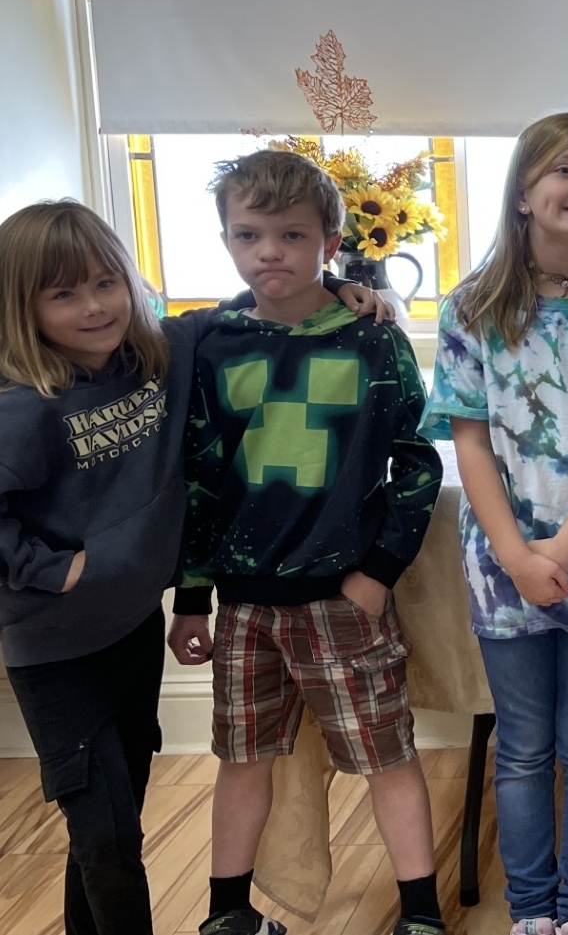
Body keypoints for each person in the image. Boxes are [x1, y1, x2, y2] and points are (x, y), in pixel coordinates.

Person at [0, 199, 386, 935]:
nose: (94, 307)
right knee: (107, 837)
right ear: (24, 306)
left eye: (106, 283)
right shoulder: (21, 407)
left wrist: (340, 287)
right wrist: (50, 569)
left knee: (113, 820)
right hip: (52, 650)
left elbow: (257, 301)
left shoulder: (163, 354)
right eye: (64, 294)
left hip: (130, 633)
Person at [169, 149, 444, 935]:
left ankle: (420, 914)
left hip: (340, 597)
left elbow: (417, 461)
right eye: (247, 235)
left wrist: (378, 571)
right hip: (244, 604)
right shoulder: (210, 343)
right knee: (242, 758)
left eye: (291, 235)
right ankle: (227, 913)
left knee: (386, 755)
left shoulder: (371, 336)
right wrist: (192, 599)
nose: (268, 252)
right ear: (225, 238)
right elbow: (198, 478)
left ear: (329, 241)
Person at [420, 112, 568, 935]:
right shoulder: (472, 308)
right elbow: (470, 443)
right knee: (521, 747)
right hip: (502, 567)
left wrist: (565, 545)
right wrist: (517, 554)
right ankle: (531, 912)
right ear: (522, 192)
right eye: (564, 169)